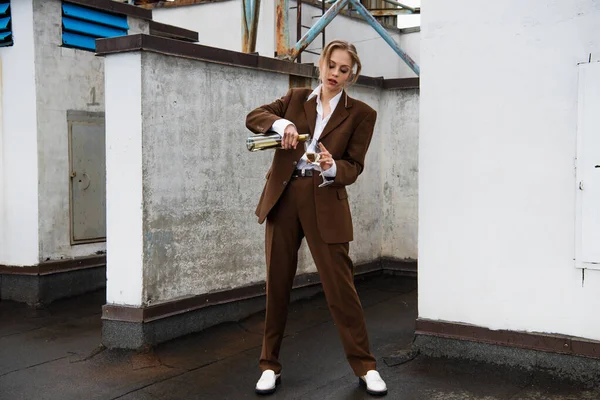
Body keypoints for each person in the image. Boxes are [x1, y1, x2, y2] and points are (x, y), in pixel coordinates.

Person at [245, 39, 387, 397]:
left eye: (344, 69)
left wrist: (332, 166)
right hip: (285, 197)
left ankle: (366, 366)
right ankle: (269, 366)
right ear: (321, 65)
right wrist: (281, 126)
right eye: (332, 66)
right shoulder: (295, 99)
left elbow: (354, 166)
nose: (336, 74)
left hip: (325, 198)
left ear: (352, 75)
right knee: (276, 285)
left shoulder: (362, 114)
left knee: (341, 289)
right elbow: (253, 118)